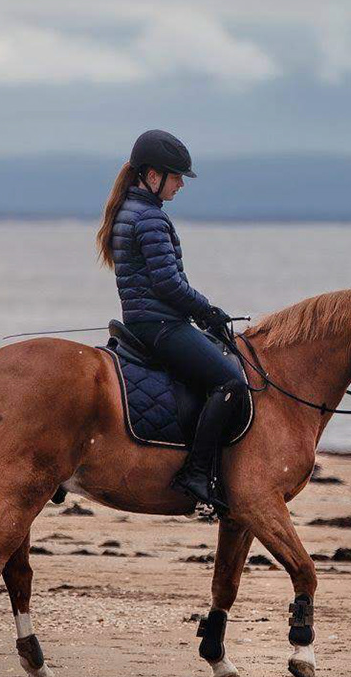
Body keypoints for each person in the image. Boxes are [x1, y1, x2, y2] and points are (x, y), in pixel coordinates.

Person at [96, 129, 248, 514]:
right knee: (229, 382)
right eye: (176, 176)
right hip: (160, 325)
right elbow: (168, 284)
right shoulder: (148, 219)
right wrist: (207, 310)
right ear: (151, 175)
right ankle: (196, 473)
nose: (181, 184)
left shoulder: (131, 211)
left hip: (145, 321)